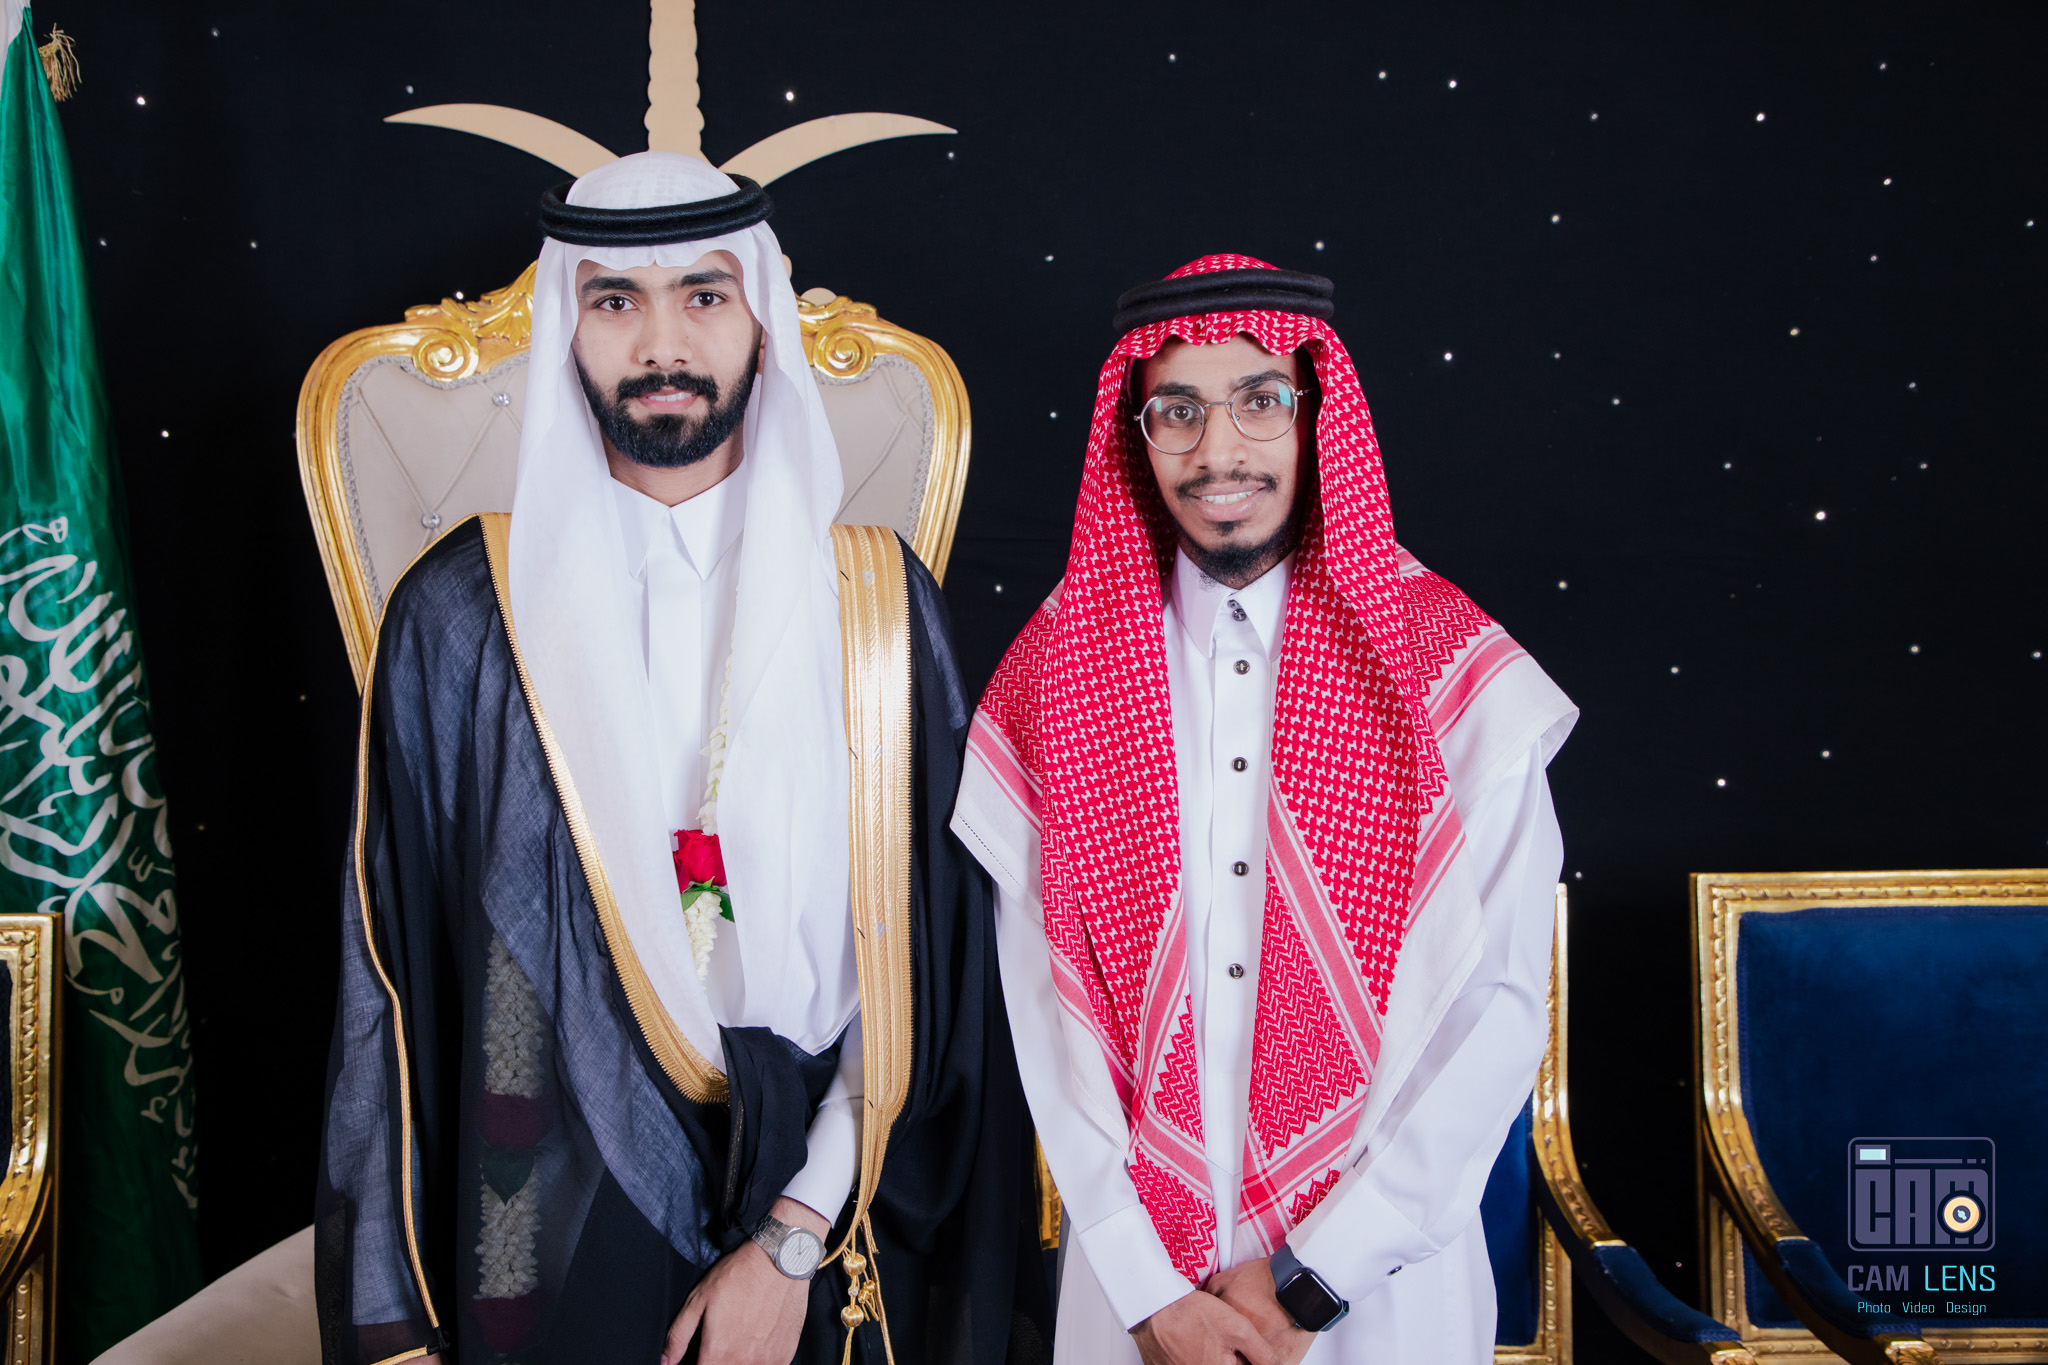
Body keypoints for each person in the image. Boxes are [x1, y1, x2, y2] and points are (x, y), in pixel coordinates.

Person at [316, 152, 1045, 1365]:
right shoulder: (463, 613)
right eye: (615, 301)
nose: (662, 343)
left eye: (704, 296)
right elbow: (388, 978)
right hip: (538, 1198)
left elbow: (932, 967)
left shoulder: (871, 605)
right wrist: (396, 1315)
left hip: (827, 1192)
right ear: (565, 330)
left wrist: (796, 1232)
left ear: (761, 321)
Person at [951, 255, 1577, 1364]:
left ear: (1317, 416)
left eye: (1259, 400)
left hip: (1382, 1297)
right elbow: (1041, 1010)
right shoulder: (1061, 671)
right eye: (1178, 411)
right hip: (1140, 1300)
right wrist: (1146, 1287)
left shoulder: (1449, 677)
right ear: (1137, 436)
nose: (1217, 451)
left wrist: (1314, 1280)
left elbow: (1495, 1014)